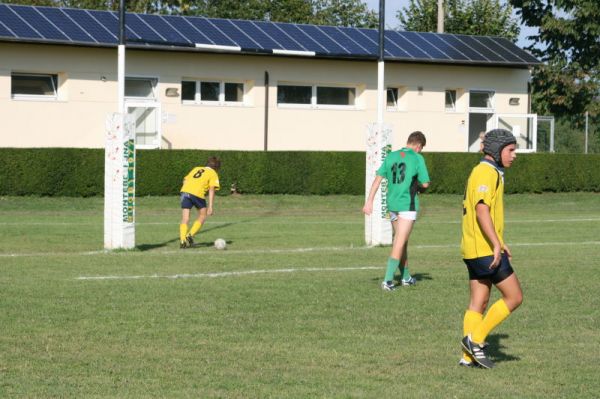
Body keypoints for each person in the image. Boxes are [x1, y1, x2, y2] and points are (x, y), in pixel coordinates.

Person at [459, 129, 523, 369]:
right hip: (485, 249)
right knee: (514, 297)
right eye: (511, 150)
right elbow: (481, 210)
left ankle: (467, 358)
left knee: (479, 302)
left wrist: (499, 239)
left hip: (473, 247)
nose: (514, 155)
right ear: (497, 150)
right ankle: (474, 341)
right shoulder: (487, 172)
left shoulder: (484, 170)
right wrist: (496, 244)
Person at [363, 131, 431, 290]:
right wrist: (419, 187)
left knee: (402, 242)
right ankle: (387, 281)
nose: (420, 151)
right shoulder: (417, 157)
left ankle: (406, 277)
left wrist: (369, 202)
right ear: (418, 146)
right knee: (399, 242)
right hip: (407, 205)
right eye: (421, 148)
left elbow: (377, 179)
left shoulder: (391, 156)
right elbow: (426, 183)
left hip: (392, 205)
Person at [179, 156, 221, 249]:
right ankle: (189, 235)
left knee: (185, 218)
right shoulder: (213, 173)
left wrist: (187, 189)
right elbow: (211, 190)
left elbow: (185, 179)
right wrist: (210, 206)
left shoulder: (196, 168)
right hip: (197, 193)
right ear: (217, 168)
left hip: (185, 192)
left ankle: (182, 241)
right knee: (203, 215)